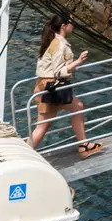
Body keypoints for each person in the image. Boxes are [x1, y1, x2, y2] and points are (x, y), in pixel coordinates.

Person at [29, 16, 101, 157]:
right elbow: (57, 72)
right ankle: (24, 156)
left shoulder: (54, 41)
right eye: (71, 23)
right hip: (51, 87)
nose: (73, 26)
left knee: (77, 108)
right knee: (42, 127)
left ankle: (83, 145)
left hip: (49, 86)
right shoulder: (59, 44)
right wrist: (78, 61)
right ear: (64, 26)